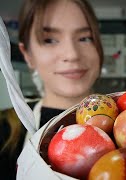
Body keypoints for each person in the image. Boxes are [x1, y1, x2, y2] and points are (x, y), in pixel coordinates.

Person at [0, 0, 103, 179]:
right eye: (50, 40)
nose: (72, 55)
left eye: (85, 38)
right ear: (27, 54)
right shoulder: (5, 132)